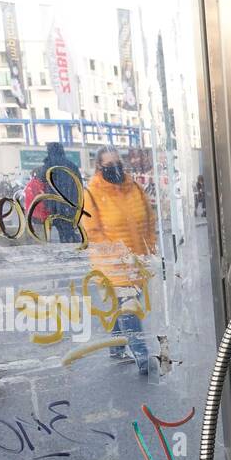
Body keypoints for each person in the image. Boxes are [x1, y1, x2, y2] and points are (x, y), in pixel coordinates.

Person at [82, 145, 157, 375]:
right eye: (108, 165)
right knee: (129, 306)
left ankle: (116, 348)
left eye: (117, 163)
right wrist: (118, 254)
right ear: (99, 167)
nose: (114, 168)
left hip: (136, 260)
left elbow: (149, 220)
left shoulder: (133, 187)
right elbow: (92, 231)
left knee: (123, 304)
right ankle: (142, 356)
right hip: (111, 263)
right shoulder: (92, 193)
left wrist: (148, 249)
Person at [35, 141, 84, 243]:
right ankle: (72, 241)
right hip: (71, 202)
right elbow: (79, 183)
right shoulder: (72, 165)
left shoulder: (49, 164)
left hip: (55, 203)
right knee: (69, 226)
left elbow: (42, 178)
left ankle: (68, 243)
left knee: (61, 227)